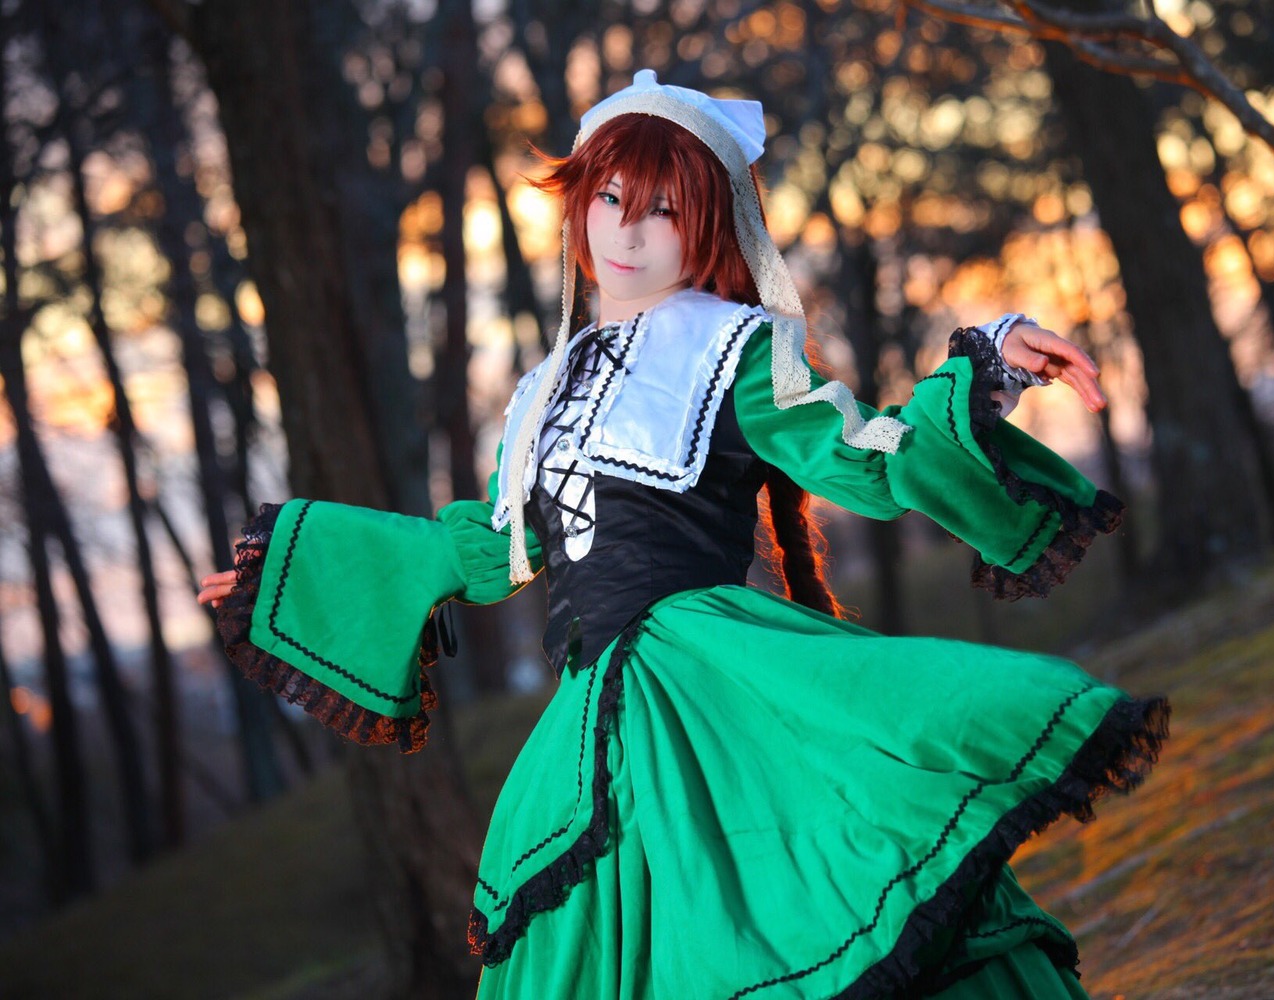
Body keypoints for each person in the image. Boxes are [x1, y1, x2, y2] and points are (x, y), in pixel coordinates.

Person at [199, 70, 1167, 999]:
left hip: (710, 679)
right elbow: (491, 552)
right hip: (589, 716)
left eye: (662, 207)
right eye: (610, 196)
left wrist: (993, 360)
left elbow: (866, 462)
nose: (627, 228)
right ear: (576, 202)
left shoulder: (734, 348)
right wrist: (285, 575)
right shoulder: (541, 390)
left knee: (782, 909)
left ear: (708, 224)